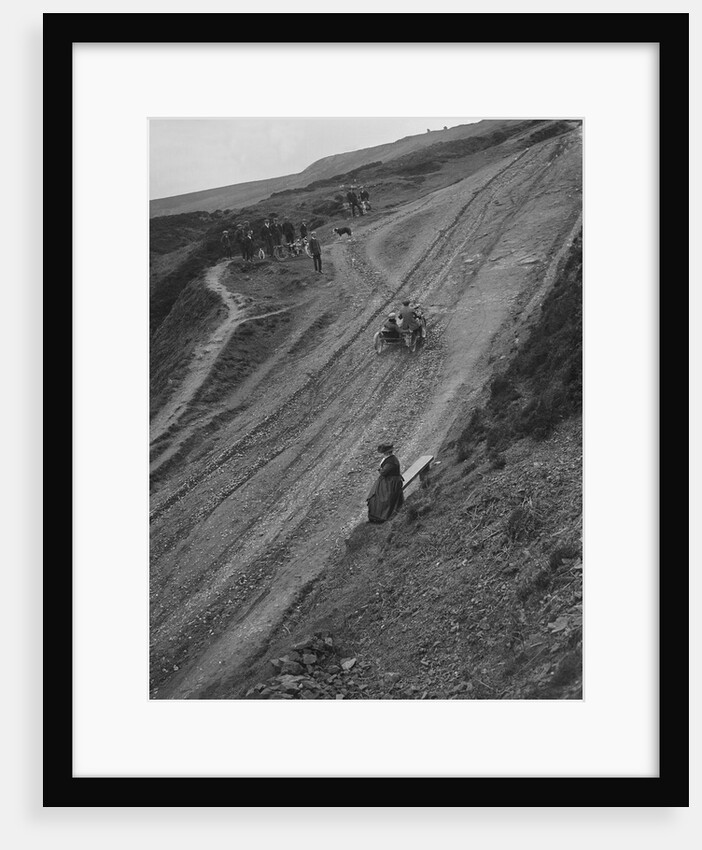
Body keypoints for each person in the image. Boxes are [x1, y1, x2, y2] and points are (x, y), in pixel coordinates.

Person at [366, 444, 404, 524]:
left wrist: (380, 469)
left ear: (386, 453)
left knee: (380, 498)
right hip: (389, 481)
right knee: (375, 496)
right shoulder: (391, 459)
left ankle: (381, 517)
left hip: (391, 483)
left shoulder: (391, 461)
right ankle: (377, 516)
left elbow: (383, 472)